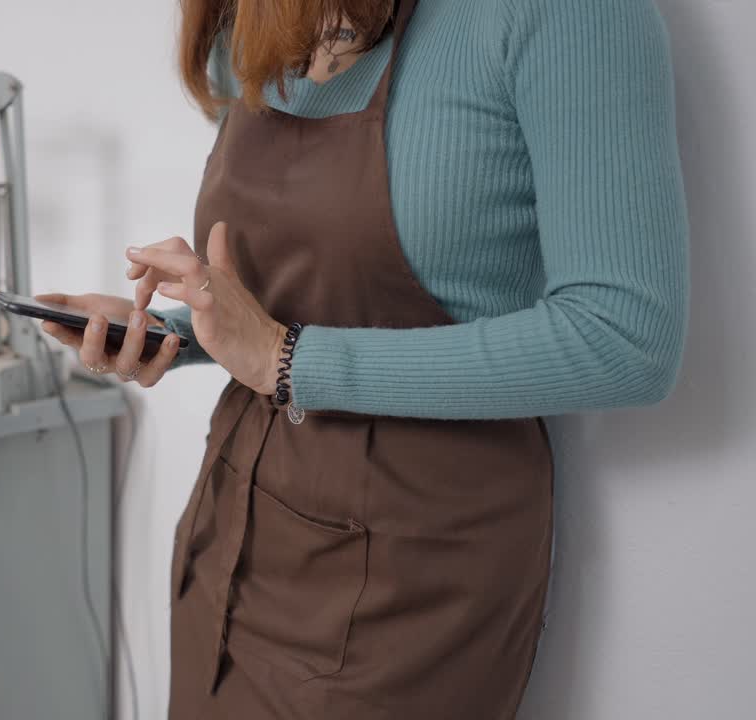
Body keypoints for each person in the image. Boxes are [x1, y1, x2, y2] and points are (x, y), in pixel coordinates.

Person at [40, 0, 688, 716]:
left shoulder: (562, 15)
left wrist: (289, 360)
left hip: (412, 593)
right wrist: (178, 331)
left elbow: (625, 338)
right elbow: (291, 306)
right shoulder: (275, 19)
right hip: (228, 550)